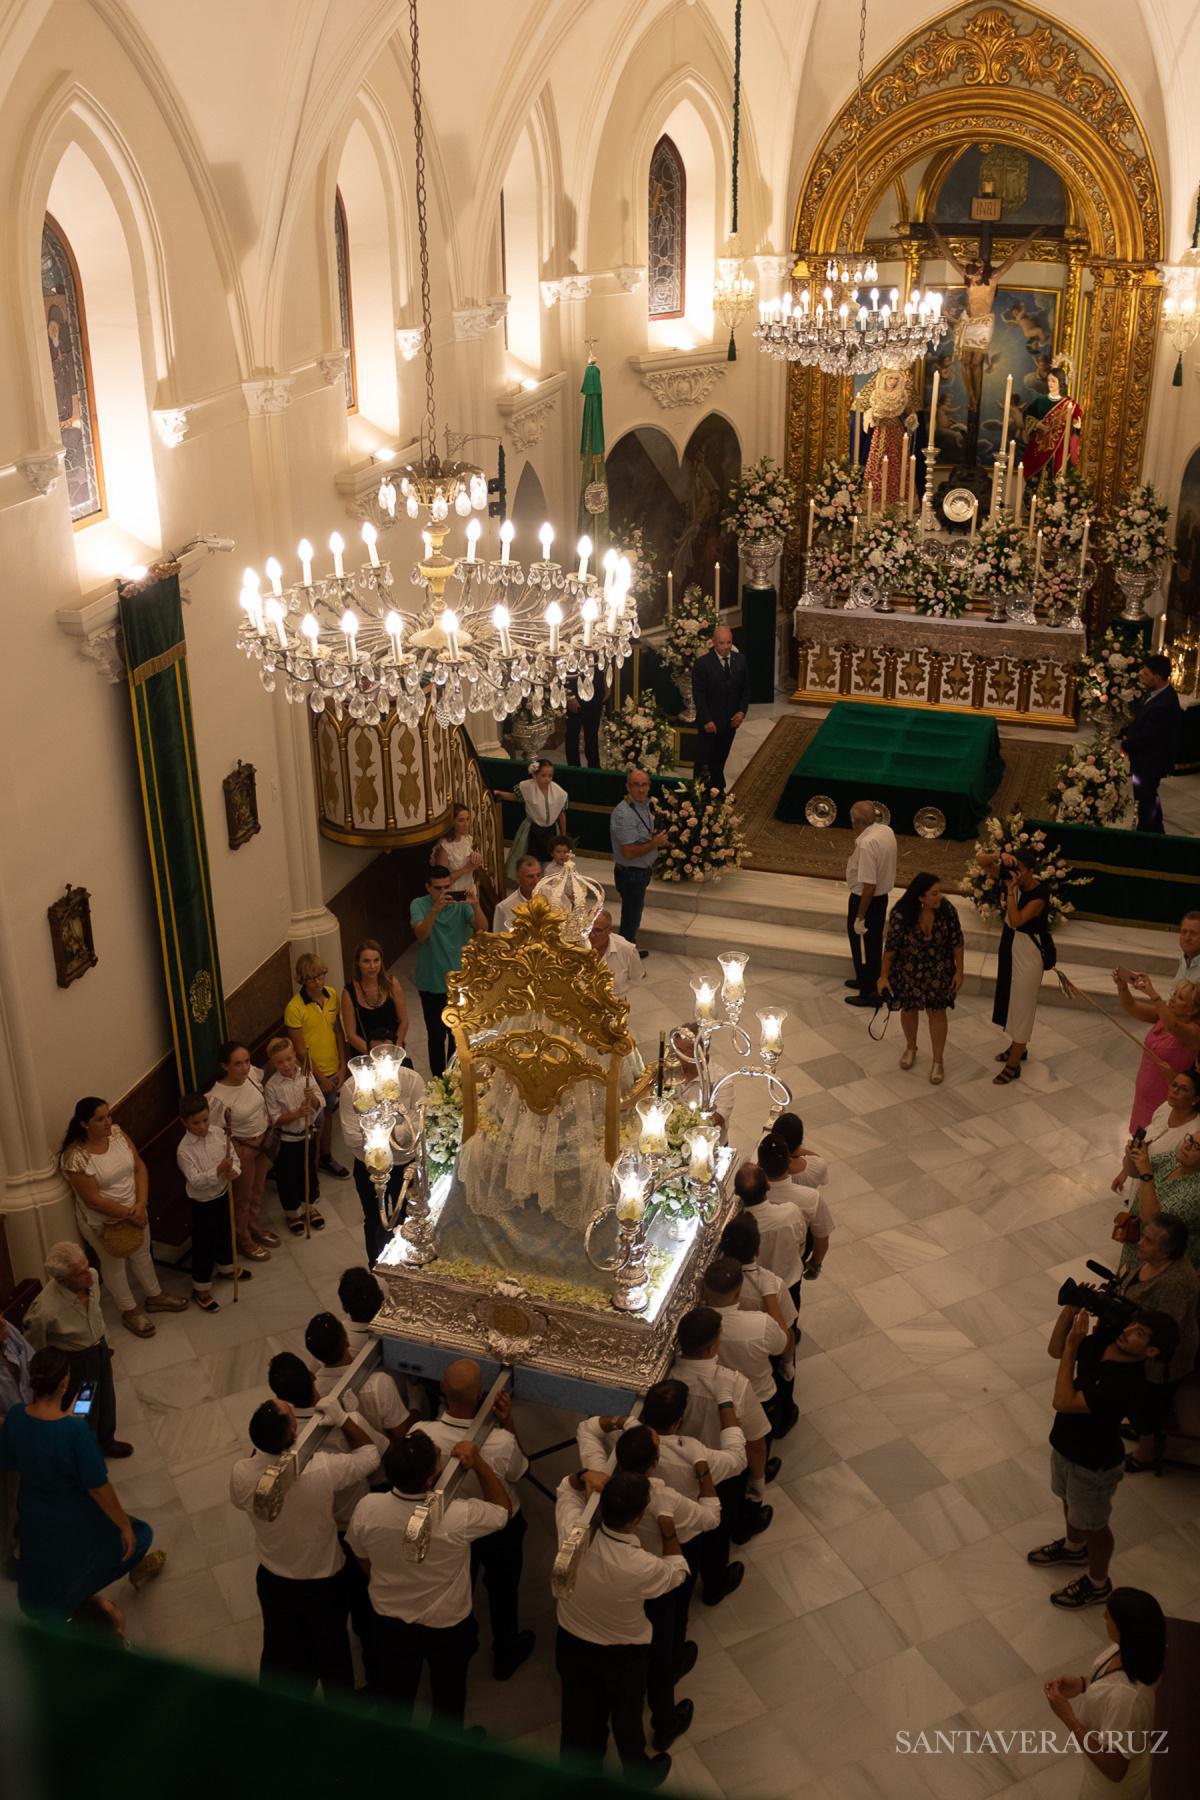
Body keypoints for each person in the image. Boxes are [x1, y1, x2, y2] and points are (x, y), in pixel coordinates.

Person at [346, 1430, 509, 1722]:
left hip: (389, 1617)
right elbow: (501, 1511)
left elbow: (362, 1557)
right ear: (430, 1481)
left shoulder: (367, 1509)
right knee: (449, 1696)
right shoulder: (457, 1516)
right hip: (446, 1623)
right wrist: (480, 1464)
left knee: (395, 1696)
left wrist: (390, 1579)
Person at [572, 1428, 718, 1752]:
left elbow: (587, 1428)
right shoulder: (660, 1496)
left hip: (616, 1596)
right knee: (661, 1651)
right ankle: (664, 1720)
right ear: (654, 1463)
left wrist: (613, 1422)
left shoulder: (602, 1482)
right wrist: (669, 1523)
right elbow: (709, 1520)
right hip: (655, 1579)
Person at [230, 1393, 379, 1695]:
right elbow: (370, 1457)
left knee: (280, 1651)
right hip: (323, 1581)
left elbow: (238, 1501)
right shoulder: (319, 1468)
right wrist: (343, 1419)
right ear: (294, 1434)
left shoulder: (242, 1473)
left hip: (274, 1578)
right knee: (333, 1653)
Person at [1027, 1305, 1175, 1609]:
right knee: (1069, 1501)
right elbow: (1056, 1350)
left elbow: (1062, 1401)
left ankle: (1098, 1583)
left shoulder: (1126, 1384)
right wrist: (1069, 1313)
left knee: (1094, 1525)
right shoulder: (1103, 1344)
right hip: (1066, 1446)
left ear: (1151, 1351)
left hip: (1093, 1464)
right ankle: (1073, 1547)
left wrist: (1073, 1347)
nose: (1128, 1331)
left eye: (1139, 1333)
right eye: (1133, 1325)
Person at [0, 1347, 164, 1618]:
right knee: (132, 1538)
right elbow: (98, 1487)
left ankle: (56, 1611)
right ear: (65, 1382)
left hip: (34, 1510)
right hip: (72, 1510)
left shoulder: (16, 1415)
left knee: (48, 1565)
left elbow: (9, 1461)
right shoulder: (76, 1433)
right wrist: (123, 1524)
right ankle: (86, 1601)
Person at [554, 1467, 685, 1784]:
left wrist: (583, 1475)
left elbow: (564, 1488)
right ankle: (636, 1770)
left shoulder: (572, 1532)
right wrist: (668, 1524)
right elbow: (677, 1573)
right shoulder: (641, 1565)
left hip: (571, 1639)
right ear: (638, 1518)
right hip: (623, 1653)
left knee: (578, 1715)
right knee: (626, 1717)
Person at [414, 1359, 533, 1680]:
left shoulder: (421, 1434)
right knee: (503, 1590)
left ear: (441, 1388)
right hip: (499, 1528)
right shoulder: (500, 1443)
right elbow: (520, 1471)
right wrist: (508, 1424)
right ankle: (506, 1650)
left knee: (458, 1581)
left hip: (449, 1524)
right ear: (482, 1393)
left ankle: (461, 1643)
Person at [580, 1378, 747, 1607]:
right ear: (678, 1422)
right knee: (675, 1604)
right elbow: (737, 1461)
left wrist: (622, 1422)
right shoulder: (676, 1477)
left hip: (634, 1541)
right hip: (679, 1541)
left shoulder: (613, 1456)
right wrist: (701, 1464)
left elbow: (587, 1429)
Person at [59, 1097, 187, 1337]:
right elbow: (93, 1200)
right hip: (105, 1222)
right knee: (114, 1265)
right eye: (100, 1119)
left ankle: (155, 1295)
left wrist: (141, 1204)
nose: (108, 1122)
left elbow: (139, 1167)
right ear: (84, 1124)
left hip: (136, 1209)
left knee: (142, 1254)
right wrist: (129, 1214)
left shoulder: (117, 1134)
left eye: (109, 1115)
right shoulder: (75, 1157)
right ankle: (129, 1310)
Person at [1043, 1587, 1165, 1799]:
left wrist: (1068, 1717)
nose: (1103, 1617)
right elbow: (1112, 1681)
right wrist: (1083, 1684)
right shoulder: (1135, 1651)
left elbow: (1114, 1769)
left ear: (1125, 1629)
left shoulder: (1126, 1700)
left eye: (1109, 1616)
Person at [671, 1306, 775, 1543]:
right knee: (720, 1527)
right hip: (723, 1470)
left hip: (679, 1466)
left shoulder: (668, 1380)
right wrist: (758, 1480)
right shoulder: (734, 1384)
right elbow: (756, 1440)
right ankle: (719, 1574)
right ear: (711, 1347)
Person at [23, 1244, 129, 1458]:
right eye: (80, 1273)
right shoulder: (45, 1310)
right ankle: (86, 1452)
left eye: (86, 1266)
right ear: (63, 1280)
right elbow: (35, 1345)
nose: (88, 1273)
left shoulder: (92, 1276)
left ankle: (107, 1440)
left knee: (107, 1398)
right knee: (83, 1408)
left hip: (99, 1350)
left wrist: (104, 1343)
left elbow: (95, 1315)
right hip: (78, 1362)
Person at [1115, 1214, 1199, 1471]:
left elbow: (1166, 1331)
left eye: (1148, 1240)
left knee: (1146, 1403)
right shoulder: (1152, 1261)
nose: (1139, 1243)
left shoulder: (1176, 1283)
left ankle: (1147, 1449)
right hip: (1143, 1346)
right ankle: (1142, 1430)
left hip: (1160, 1360)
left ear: (1166, 1250)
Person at [337, 1040, 425, 1263]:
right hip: (367, 1166)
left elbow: (416, 1129)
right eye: (378, 1055)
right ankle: (375, 1266)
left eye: (389, 1055)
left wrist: (378, 1131)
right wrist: (391, 1133)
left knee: (407, 1218)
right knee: (374, 1219)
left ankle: (406, 1265)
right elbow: (351, 1137)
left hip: (406, 1164)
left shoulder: (412, 1081)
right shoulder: (352, 1087)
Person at [975, 847, 1053, 1083]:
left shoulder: (1039, 893)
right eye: (1013, 867)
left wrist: (1010, 891)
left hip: (1030, 951)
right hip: (1011, 945)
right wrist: (1000, 856)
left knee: (1023, 1003)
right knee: (1010, 998)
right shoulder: (1011, 876)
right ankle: (1018, 1046)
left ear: (1030, 871)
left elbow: (1018, 921)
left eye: (1019, 869)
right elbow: (980, 860)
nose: (1014, 873)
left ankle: (1014, 1063)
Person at [879, 872, 965, 1086]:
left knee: (937, 1012)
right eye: (934, 894)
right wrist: (883, 976)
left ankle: (938, 1060)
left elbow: (957, 941)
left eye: (939, 892)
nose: (940, 897)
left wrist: (959, 971)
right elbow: (891, 947)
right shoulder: (901, 913)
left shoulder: (946, 910)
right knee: (909, 1009)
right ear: (920, 897)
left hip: (939, 969)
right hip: (909, 969)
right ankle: (911, 1047)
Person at [719, 1211, 798, 1432]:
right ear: (757, 1250)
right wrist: (788, 1363)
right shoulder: (772, 1284)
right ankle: (782, 1421)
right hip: (768, 1348)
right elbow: (787, 1333)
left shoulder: (717, 1282)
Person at [175, 1092, 251, 1311]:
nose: (202, 1127)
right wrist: (218, 1171)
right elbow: (196, 1181)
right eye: (195, 1123)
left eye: (205, 1120)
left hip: (223, 1194)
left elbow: (233, 1158)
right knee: (205, 1243)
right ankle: (201, 1287)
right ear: (184, 1122)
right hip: (203, 1202)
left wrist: (234, 1171)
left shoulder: (219, 1133)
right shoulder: (184, 1150)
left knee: (226, 1232)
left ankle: (227, 1266)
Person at [410, 866, 487, 1077]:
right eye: (438, 888)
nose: (444, 892)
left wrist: (476, 905)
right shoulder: (418, 905)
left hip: (459, 984)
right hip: (431, 983)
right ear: (428, 888)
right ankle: (437, 1081)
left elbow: (482, 928)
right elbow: (421, 935)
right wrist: (434, 910)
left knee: (458, 1036)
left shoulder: (461, 906)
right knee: (435, 1037)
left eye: (447, 887)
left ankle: (455, 1078)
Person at [306, 1311, 419, 1447]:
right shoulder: (379, 1383)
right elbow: (403, 1434)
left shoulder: (315, 1392)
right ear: (346, 1340)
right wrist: (416, 1403)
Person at [701, 1258, 788, 1435]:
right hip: (760, 1394)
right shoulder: (761, 1324)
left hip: (718, 1399)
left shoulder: (698, 1325)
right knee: (760, 1440)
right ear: (738, 1293)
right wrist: (769, 1295)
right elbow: (782, 1346)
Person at [208, 1041, 275, 1262]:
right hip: (243, 1149)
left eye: (246, 1061)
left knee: (258, 1190)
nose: (245, 1068)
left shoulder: (252, 1077)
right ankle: (243, 1237)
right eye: (238, 1064)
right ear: (224, 1066)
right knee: (243, 1198)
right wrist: (235, 1151)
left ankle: (255, 1226)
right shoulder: (217, 1097)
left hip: (263, 1142)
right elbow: (215, 1133)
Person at [284, 954, 348, 1177]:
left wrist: (342, 1065)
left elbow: (338, 1032)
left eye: (321, 976)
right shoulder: (294, 1008)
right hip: (311, 1074)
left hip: (333, 1067)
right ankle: (308, 1165)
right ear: (302, 980)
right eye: (312, 979)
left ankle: (325, 1157)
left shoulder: (331, 995)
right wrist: (320, 1077)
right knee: (313, 1117)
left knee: (329, 1113)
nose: (318, 983)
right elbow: (300, 1050)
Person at [1114, 973, 1200, 1130]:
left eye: (1180, 998)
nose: (1173, 999)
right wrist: (1122, 987)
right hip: (1143, 1097)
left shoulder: (1193, 1031)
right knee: (1136, 1143)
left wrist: (1153, 994)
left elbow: (1173, 1026)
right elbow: (1131, 1006)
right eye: (1174, 994)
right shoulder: (1163, 1016)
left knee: (1152, 1147)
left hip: (1166, 1099)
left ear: (1192, 1010)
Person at [264, 1035, 327, 1235]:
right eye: (280, 1062)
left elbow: (321, 1103)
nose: (286, 1065)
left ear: (294, 1056)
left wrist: (313, 1100)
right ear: (274, 1063)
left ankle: (309, 1207)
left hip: (307, 1135)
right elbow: (274, 1118)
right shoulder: (272, 1086)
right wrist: (296, 1114)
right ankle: (292, 1213)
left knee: (308, 1171)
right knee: (288, 1177)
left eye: (289, 1059)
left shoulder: (306, 1075)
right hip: (287, 1140)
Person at [757, 1130, 835, 1285]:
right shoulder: (811, 1198)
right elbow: (822, 1238)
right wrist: (814, 1265)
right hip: (790, 1276)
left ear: (760, 1164)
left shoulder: (750, 1193)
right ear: (789, 1162)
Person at [843, 799, 898, 1007]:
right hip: (880, 899)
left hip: (865, 901)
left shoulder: (866, 844)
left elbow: (869, 885)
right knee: (873, 943)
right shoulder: (885, 831)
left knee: (864, 945)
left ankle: (869, 993)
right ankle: (864, 978)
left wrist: (860, 916)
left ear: (856, 822)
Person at [1119, 654, 1180, 834]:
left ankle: (1149, 833)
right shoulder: (1155, 693)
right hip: (1145, 758)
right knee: (1147, 796)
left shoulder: (1165, 704)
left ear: (1158, 676)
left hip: (1151, 761)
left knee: (1146, 797)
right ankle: (1152, 830)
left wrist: (1126, 745)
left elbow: (1148, 736)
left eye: (1146, 674)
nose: (1142, 677)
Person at [1111, 1067, 1200, 1191]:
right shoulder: (1166, 1107)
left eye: (1183, 1089)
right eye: (1174, 1085)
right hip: (1139, 1184)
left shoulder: (1193, 1134)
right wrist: (1126, 1170)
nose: (1175, 1091)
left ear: (1195, 1099)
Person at [609, 767, 669, 950]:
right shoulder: (625, 814)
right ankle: (626, 955)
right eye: (636, 785)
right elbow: (628, 852)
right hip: (631, 874)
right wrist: (655, 843)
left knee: (633, 915)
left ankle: (629, 949)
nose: (641, 789)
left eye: (644, 785)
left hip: (639, 872)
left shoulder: (641, 805)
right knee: (630, 917)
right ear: (628, 786)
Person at [734, 1160, 806, 1306]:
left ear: (736, 1193)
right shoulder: (791, 1212)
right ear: (768, 1185)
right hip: (790, 1280)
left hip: (756, 1291)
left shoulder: (738, 1229)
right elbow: (801, 1240)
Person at [1124, 1132, 1200, 1268]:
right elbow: (1134, 1171)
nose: (1187, 1146)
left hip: (1158, 1265)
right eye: (1190, 1139)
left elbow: (1152, 1222)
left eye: (1196, 1146)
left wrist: (1146, 1173)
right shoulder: (1175, 1160)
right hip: (1136, 1245)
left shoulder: (1196, 1193)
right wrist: (1132, 1155)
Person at [691, 623, 749, 794]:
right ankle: (702, 793)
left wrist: (741, 712)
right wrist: (707, 720)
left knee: (721, 758)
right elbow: (699, 696)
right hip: (710, 723)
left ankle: (717, 791)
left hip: (731, 722)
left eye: (729, 643)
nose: (726, 647)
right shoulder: (703, 664)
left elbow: (746, 689)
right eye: (722, 643)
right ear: (714, 643)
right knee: (705, 761)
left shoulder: (741, 660)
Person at [0, 1313, 33, 1576]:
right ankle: (6, 1554)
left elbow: (29, 1356)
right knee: (6, 1498)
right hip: (4, 1441)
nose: (3, 1322)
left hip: (26, 1424)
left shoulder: (7, 1331)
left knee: (25, 1485)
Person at [340, 938, 409, 1058]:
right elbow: (351, 1035)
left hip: (393, 1052)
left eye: (376, 960)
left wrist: (395, 1049)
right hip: (364, 1053)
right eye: (366, 961)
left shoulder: (392, 984)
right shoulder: (349, 993)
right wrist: (374, 1055)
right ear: (358, 963)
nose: (372, 966)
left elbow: (404, 1021)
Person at [496, 758, 570, 868]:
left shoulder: (559, 792)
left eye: (550, 776)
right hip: (532, 829)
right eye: (543, 775)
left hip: (551, 831)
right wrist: (499, 793)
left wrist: (563, 836)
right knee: (531, 858)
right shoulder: (527, 787)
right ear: (535, 775)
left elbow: (561, 814)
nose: (547, 779)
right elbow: (514, 797)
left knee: (549, 860)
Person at [1020, 365, 1083, 482]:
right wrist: (1037, 424)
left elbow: (1076, 431)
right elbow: (1027, 416)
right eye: (1049, 380)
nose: (1050, 383)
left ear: (1061, 382)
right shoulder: (1040, 401)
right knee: (1034, 482)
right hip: (1038, 449)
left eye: (1053, 381)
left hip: (1058, 450)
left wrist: (1077, 427)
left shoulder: (1071, 405)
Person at [588, 907, 643, 1003]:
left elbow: (636, 978)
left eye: (598, 930)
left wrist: (619, 994)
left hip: (615, 1004)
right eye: (588, 929)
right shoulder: (576, 945)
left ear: (610, 930)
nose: (591, 935)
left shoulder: (627, 950)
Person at [432, 801, 484, 898]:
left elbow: (471, 864)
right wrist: (466, 868)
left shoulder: (467, 838)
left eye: (468, 819)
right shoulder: (444, 847)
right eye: (461, 820)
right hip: (454, 894)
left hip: (469, 890)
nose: (466, 824)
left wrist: (476, 858)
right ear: (452, 822)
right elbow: (441, 880)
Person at [565, 668, 606, 768]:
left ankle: (594, 769)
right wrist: (569, 695)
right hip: (574, 694)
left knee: (592, 735)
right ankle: (573, 769)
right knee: (572, 735)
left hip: (595, 695)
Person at [491, 853, 542, 933]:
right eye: (530, 877)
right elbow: (500, 941)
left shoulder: (551, 896)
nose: (536, 881)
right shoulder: (504, 908)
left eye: (538, 875)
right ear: (518, 878)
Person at [1175, 910, 1200, 984]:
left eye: (1193, 933)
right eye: (1184, 932)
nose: (1187, 938)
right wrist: (1151, 992)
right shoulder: (1184, 959)